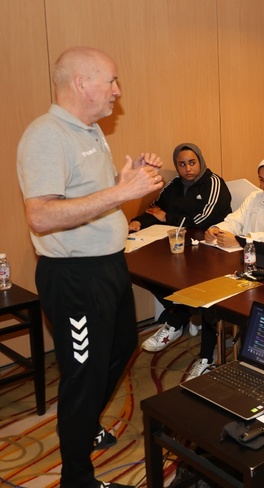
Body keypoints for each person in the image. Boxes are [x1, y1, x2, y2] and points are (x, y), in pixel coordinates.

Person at [17, 46, 166, 488]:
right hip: (75, 278)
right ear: (81, 83)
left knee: (116, 354)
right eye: (112, 81)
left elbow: (89, 203)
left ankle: (80, 431)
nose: (118, 92)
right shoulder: (46, 135)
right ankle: (76, 479)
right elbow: (41, 215)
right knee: (83, 375)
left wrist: (127, 182)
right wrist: (121, 194)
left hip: (107, 267)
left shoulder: (89, 131)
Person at [193, 157, 264, 379]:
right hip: (249, 263)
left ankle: (251, 362)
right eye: (262, 179)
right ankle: (208, 357)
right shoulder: (256, 197)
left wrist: (241, 240)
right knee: (211, 295)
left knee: (242, 305)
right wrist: (217, 228)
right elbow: (235, 219)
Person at [133, 143, 232, 353]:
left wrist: (168, 218)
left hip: (210, 248)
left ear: (200, 161)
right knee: (144, 270)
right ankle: (179, 310)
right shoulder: (174, 186)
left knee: (183, 275)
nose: (188, 169)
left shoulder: (213, 183)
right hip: (179, 244)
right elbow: (156, 210)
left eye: (192, 163)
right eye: (182, 164)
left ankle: (177, 318)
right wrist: (138, 222)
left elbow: (204, 220)